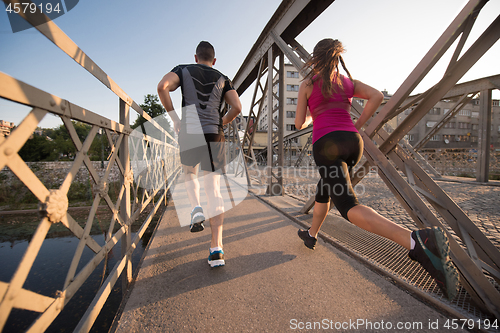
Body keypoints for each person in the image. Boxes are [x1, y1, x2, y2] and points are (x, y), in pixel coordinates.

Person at [294, 38, 459, 299]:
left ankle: (417, 241)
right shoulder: (348, 82)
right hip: (352, 142)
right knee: (324, 190)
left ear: (315, 60)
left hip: (327, 144)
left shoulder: (307, 84)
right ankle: (312, 234)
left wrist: (317, 112)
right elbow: (377, 96)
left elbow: (299, 123)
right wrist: (357, 123)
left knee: (348, 206)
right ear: (337, 58)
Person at [157, 41, 242, 267]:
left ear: (196, 57)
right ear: (214, 61)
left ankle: (195, 208)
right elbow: (238, 107)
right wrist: (221, 121)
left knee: (189, 174)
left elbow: (162, 87)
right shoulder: (223, 78)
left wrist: (175, 119)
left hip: (191, 130)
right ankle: (216, 250)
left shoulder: (183, 69)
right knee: (214, 189)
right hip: (214, 133)